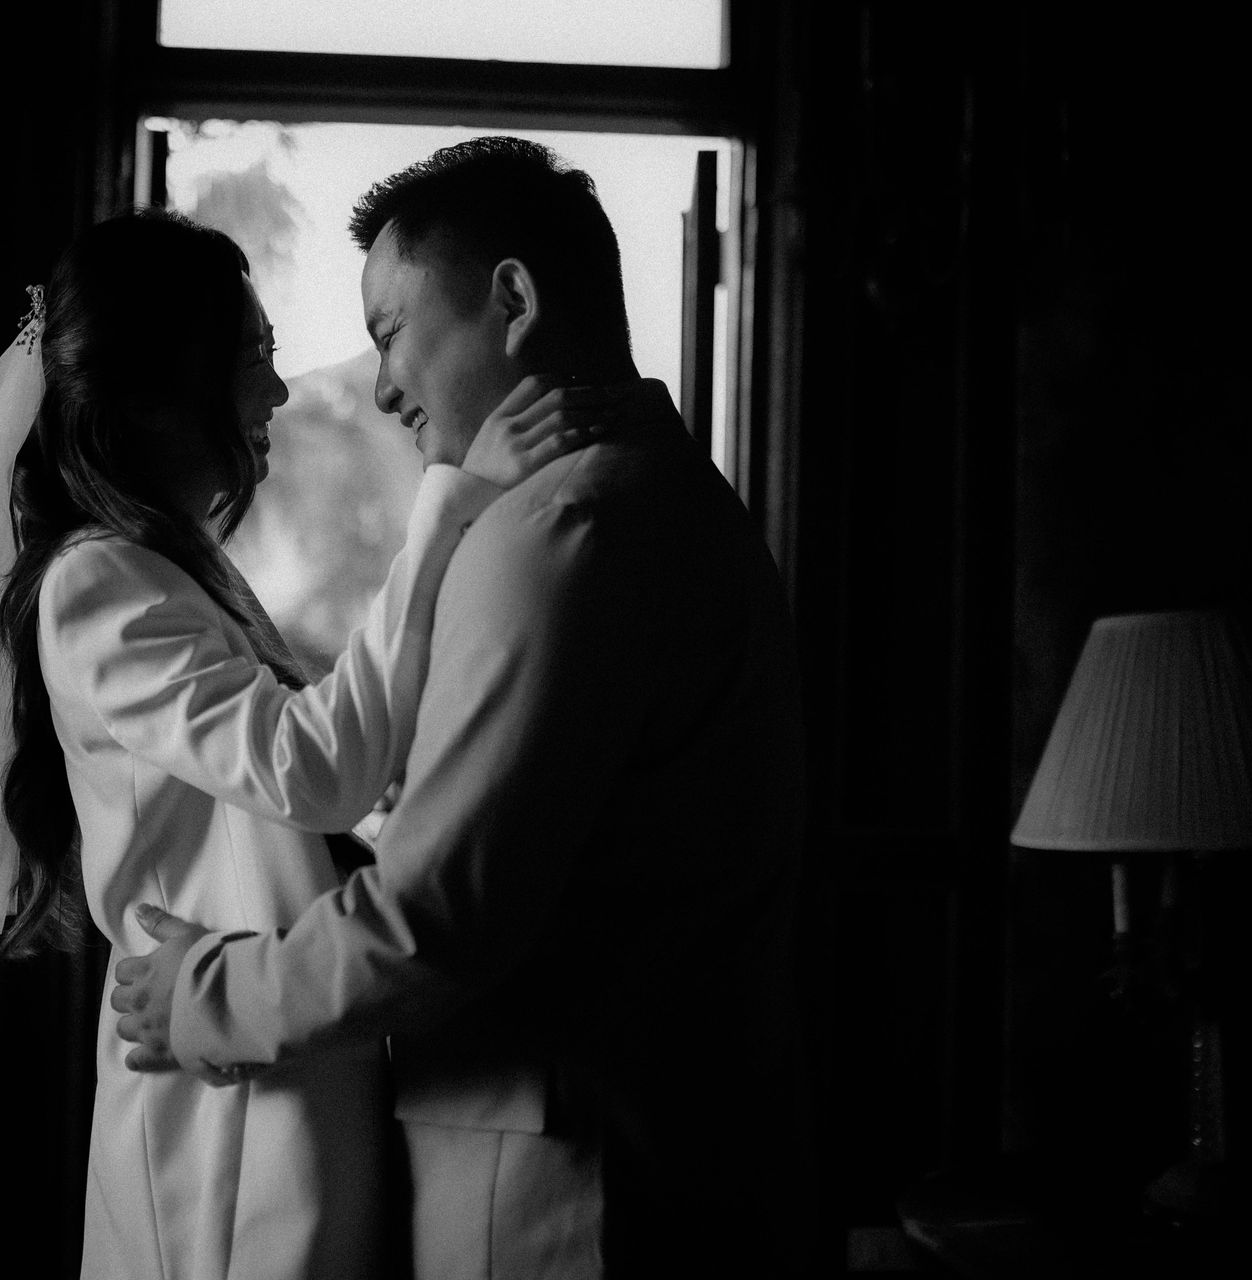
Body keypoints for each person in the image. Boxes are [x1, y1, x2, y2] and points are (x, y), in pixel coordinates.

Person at [112, 139, 813, 1278]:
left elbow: (437, 917)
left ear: (514, 300)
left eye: (392, 330)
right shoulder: (683, 498)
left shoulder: (561, 530)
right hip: (676, 1163)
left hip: (564, 1202)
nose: (382, 388)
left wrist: (205, 996)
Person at [0, 208, 619, 1279]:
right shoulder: (94, 582)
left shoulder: (165, 569)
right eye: (251, 356)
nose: (276, 390)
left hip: (269, 1053)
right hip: (224, 1112)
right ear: (160, 385)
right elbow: (310, 769)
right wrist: (449, 504)